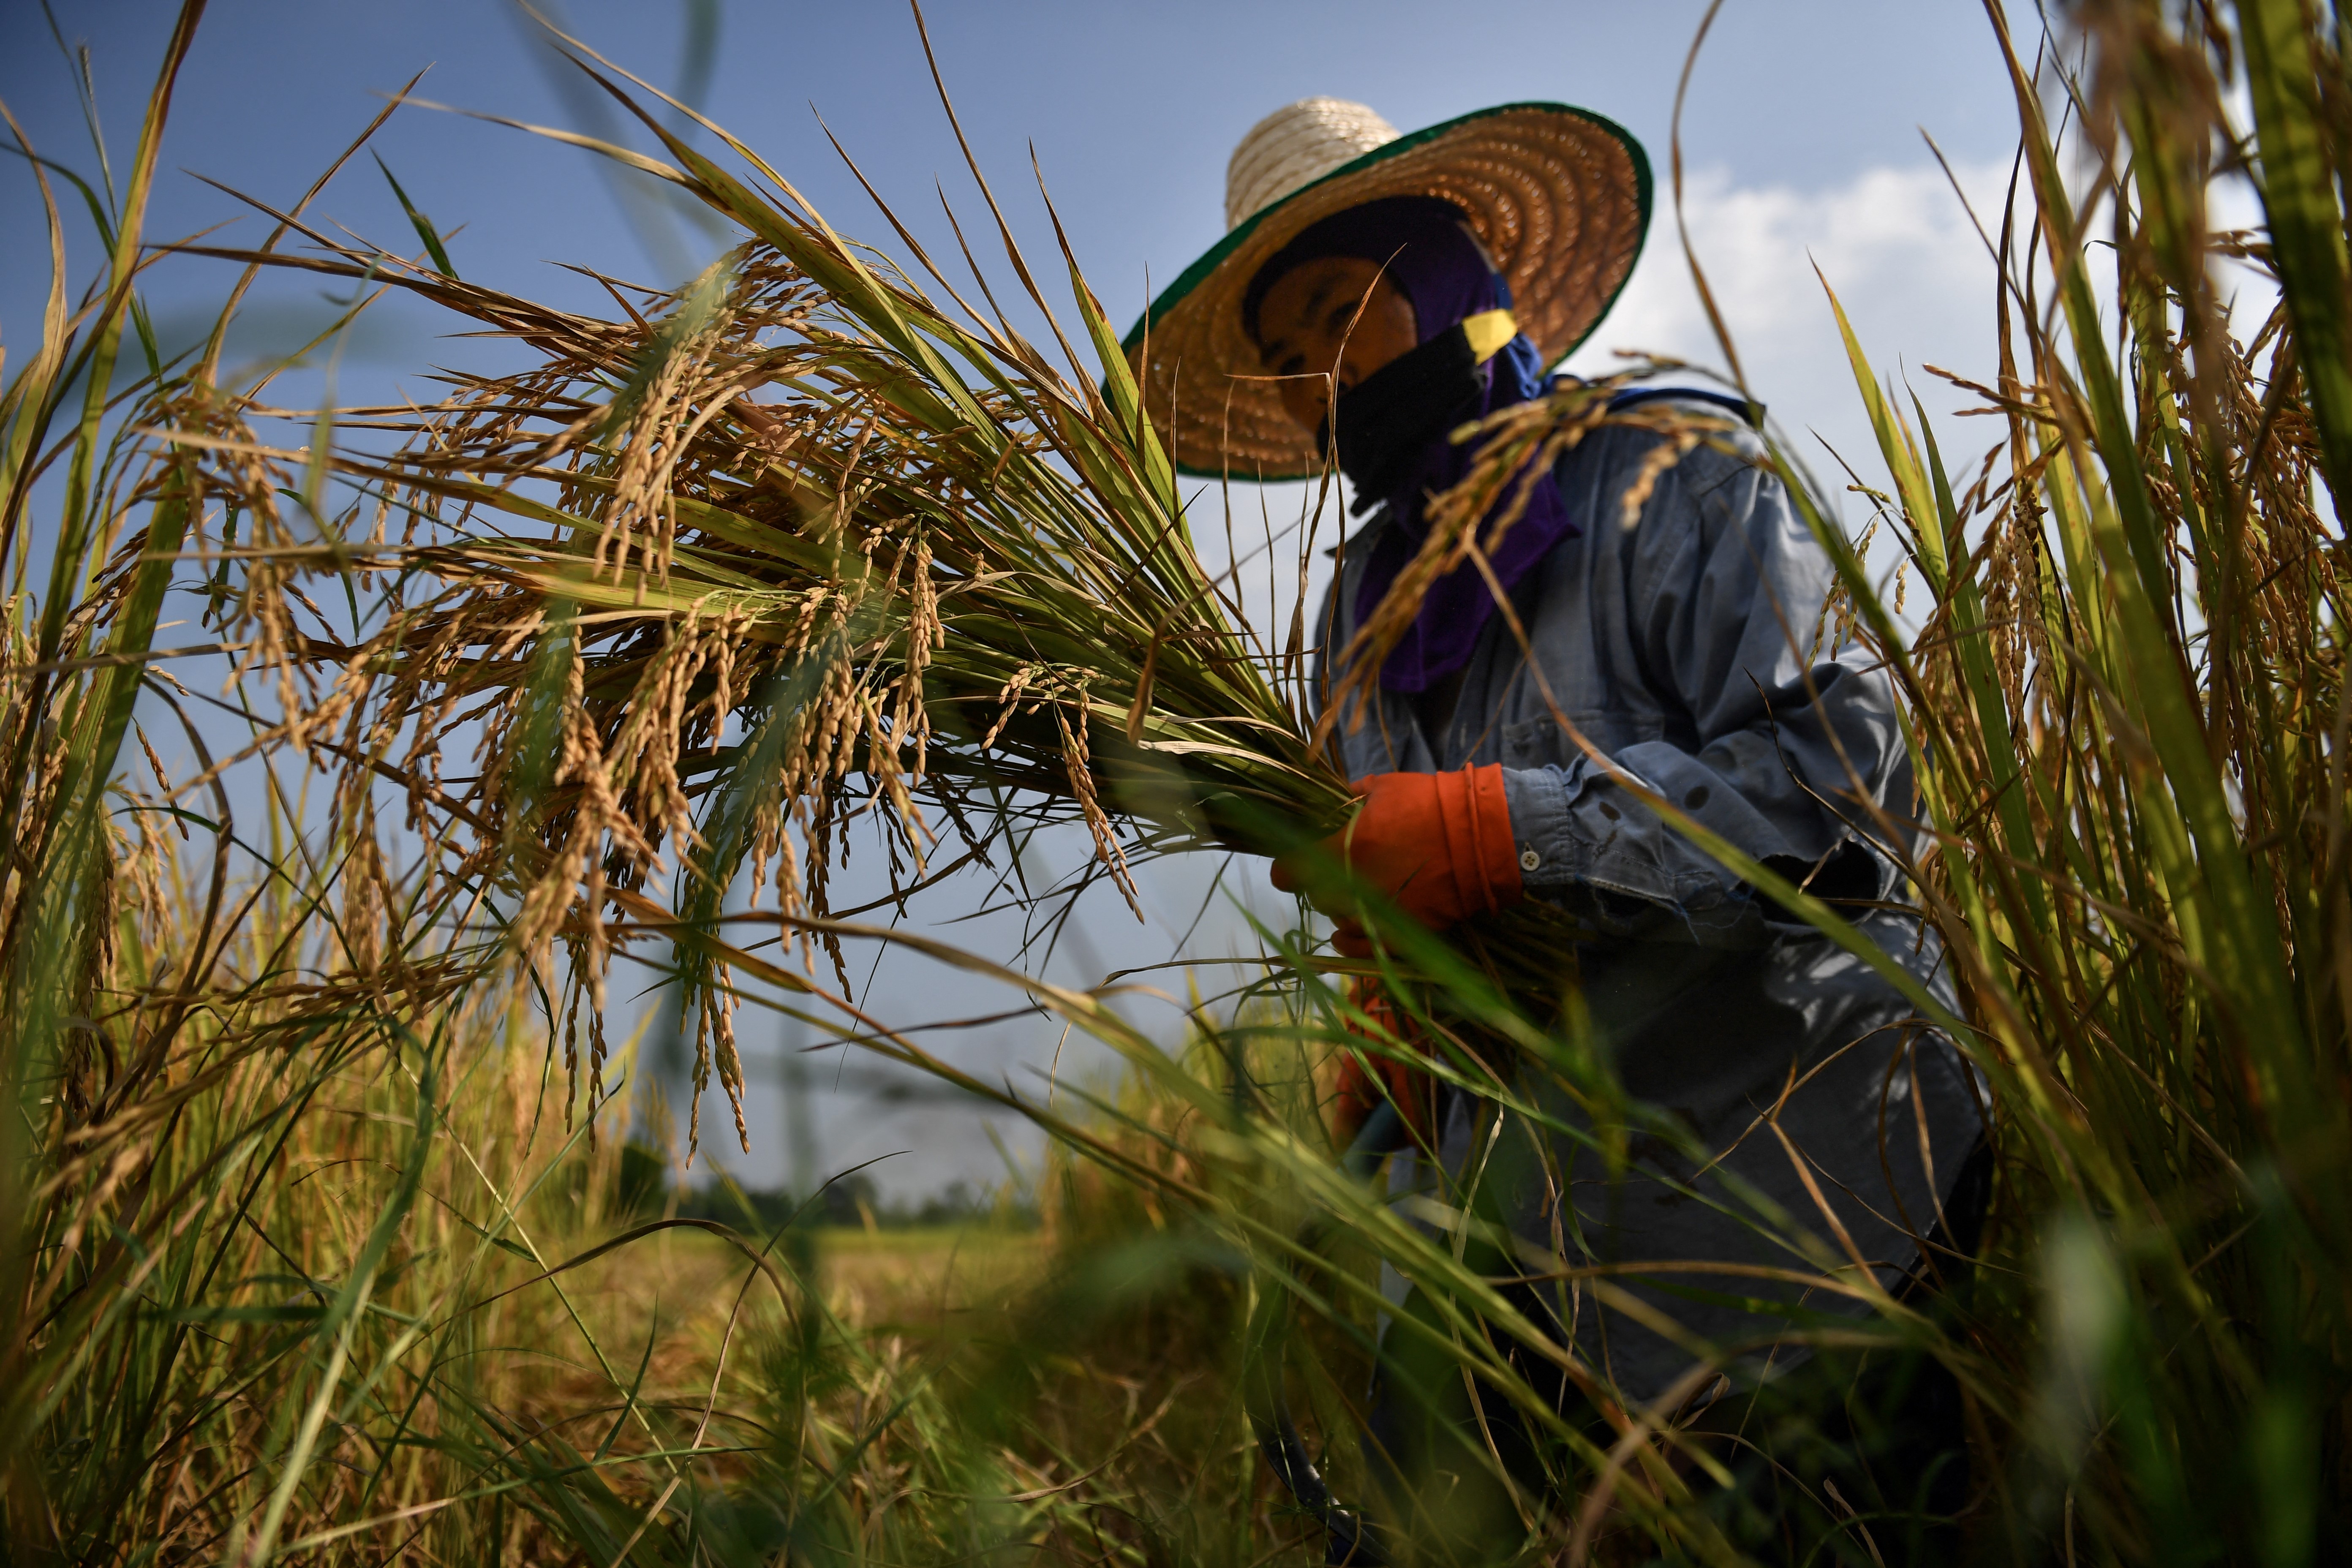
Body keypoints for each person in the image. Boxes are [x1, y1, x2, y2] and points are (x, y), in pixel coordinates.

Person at [1126, 98, 1990, 1564]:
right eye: (1285, 362)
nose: (1316, 383)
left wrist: (1495, 832)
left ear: (1456, 273)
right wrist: (1398, 1017)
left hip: (1817, 1204)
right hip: (1562, 1255)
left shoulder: (1674, 475)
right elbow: (1409, 896)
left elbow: (1849, 788)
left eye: (1342, 316)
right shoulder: (1349, 623)